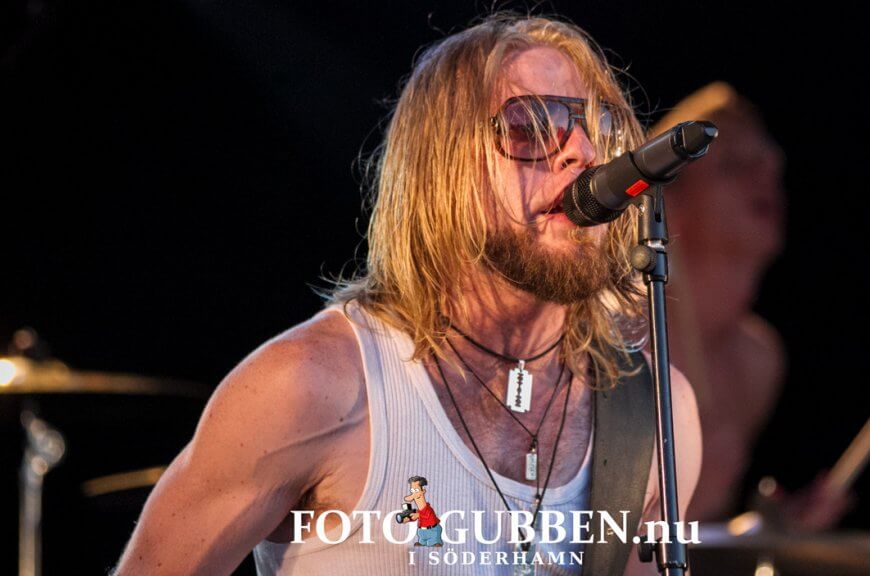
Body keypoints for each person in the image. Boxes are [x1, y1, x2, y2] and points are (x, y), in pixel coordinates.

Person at [114, 15, 701, 575]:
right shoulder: (310, 387)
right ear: (440, 166)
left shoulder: (657, 416)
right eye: (532, 126)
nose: (584, 153)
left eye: (600, 126)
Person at [649, 83, 846, 530]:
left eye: (771, 164)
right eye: (736, 165)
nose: (766, 177)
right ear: (666, 203)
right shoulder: (619, 337)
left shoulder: (757, 360)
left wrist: (772, 532)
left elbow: (702, 535)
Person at [398, 476, 443, 547]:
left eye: (416, 490)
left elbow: (428, 516)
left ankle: (435, 543)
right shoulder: (418, 510)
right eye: (412, 490)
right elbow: (415, 517)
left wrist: (418, 515)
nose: (414, 494)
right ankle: (422, 542)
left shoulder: (428, 509)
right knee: (421, 543)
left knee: (434, 544)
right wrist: (408, 519)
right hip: (422, 532)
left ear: (423, 491)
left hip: (433, 531)